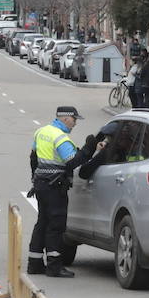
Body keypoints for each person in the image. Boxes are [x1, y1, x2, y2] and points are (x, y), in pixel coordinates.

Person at [27, 105, 87, 277]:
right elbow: (73, 162)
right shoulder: (61, 138)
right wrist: (88, 149)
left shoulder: (41, 132)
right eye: (74, 120)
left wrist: (35, 178)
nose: (75, 124)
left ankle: (35, 263)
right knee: (56, 225)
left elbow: (33, 157)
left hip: (41, 184)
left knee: (42, 222)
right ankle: (54, 266)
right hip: (55, 187)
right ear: (66, 118)